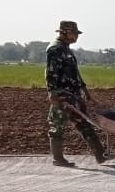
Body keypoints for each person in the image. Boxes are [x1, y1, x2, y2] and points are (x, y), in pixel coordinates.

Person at [45, 20, 105, 167]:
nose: (76, 37)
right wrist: (52, 93)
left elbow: (75, 73)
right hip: (62, 94)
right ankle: (58, 159)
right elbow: (51, 72)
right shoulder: (55, 49)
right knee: (57, 125)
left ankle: (101, 156)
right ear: (64, 32)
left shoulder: (66, 49)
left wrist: (86, 92)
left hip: (74, 94)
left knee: (85, 123)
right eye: (74, 33)